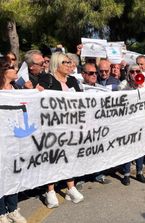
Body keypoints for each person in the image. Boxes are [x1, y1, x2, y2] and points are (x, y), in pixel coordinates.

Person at [38, 52, 83, 208]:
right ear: (57, 64)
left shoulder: (73, 80)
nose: (70, 65)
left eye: (71, 63)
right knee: (53, 158)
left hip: (72, 127)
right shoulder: (46, 79)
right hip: (53, 128)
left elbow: (83, 100)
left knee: (69, 156)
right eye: (66, 62)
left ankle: (71, 187)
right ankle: (50, 190)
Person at [0, 58, 27, 223]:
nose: (16, 69)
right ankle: (1, 212)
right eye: (12, 67)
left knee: (12, 174)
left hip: (14, 141)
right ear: (4, 71)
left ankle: (13, 209)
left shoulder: (18, 89)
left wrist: (35, 93)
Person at [118, 64, 145, 186]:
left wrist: (141, 88)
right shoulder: (123, 85)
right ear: (128, 74)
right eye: (132, 71)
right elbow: (121, 97)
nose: (135, 74)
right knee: (128, 147)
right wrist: (133, 88)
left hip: (141, 121)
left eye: (138, 71)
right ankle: (126, 174)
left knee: (140, 147)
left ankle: (139, 172)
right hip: (127, 122)